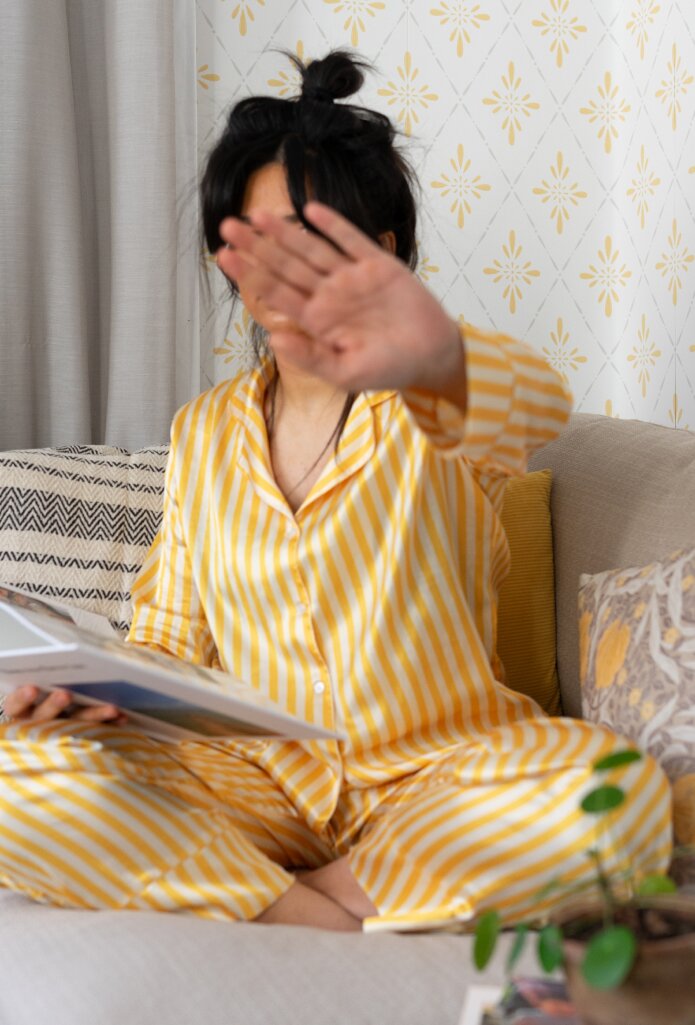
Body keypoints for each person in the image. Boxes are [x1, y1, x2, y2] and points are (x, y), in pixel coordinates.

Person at [0, 51, 671, 932]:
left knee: (612, 792)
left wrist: (435, 352)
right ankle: (292, 906)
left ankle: (327, 896)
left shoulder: (433, 405)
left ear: (382, 254)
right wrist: (97, 697)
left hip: (440, 778)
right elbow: (168, 636)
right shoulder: (203, 431)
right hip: (256, 781)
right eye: (253, 235)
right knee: (15, 761)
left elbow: (533, 401)